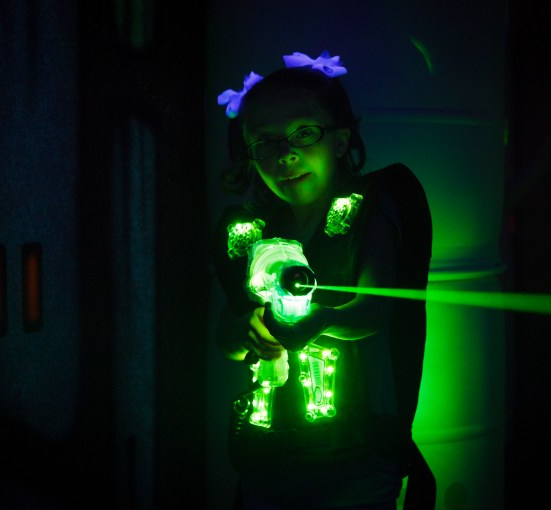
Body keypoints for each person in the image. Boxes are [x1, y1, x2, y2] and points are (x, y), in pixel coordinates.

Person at [212, 51, 433, 510]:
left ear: (339, 139)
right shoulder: (251, 234)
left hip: (358, 460)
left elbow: (374, 310)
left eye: (304, 133)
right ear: (250, 155)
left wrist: (318, 320)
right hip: (266, 459)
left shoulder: (368, 213)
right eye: (266, 142)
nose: (286, 153)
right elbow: (228, 335)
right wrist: (248, 328)